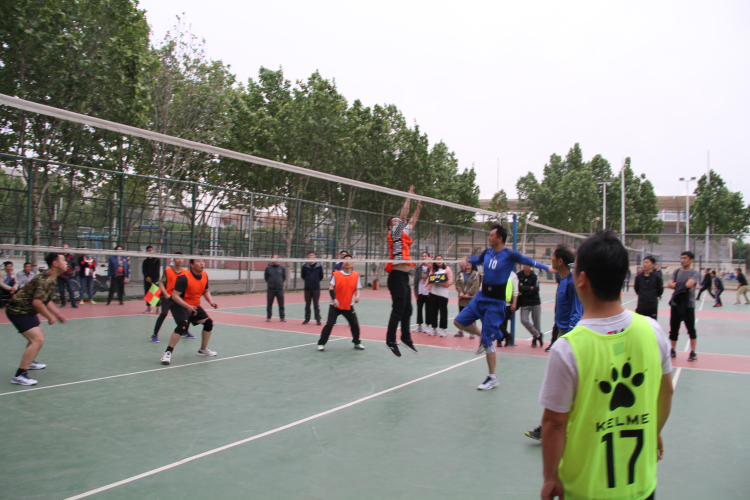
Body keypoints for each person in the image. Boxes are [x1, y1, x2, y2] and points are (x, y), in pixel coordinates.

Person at [537, 231, 673, 500]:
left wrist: (551, 476)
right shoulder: (653, 330)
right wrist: (654, 430)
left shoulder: (568, 349)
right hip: (641, 488)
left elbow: (554, 424)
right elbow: (666, 391)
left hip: (586, 490)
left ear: (582, 279)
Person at [454, 223, 549, 390]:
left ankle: (492, 377)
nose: (489, 237)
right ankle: (482, 335)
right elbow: (477, 260)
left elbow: (529, 261)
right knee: (458, 321)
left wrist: (548, 268)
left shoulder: (510, 255)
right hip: (481, 298)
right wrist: (467, 259)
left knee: (489, 342)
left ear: (499, 239)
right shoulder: (488, 252)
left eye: (491, 235)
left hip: (495, 303)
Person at [5, 253, 69, 385]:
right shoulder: (46, 280)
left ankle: (29, 362)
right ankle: (19, 375)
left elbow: (46, 299)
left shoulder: (51, 278)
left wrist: (58, 314)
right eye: (63, 260)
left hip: (26, 310)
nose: (66, 262)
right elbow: (37, 303)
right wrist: (49, 317)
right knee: (37, 339)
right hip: (18, 310)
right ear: (55, 264)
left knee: (37, 339)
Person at [384, 185, 421, 357]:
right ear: (390, 226)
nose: (397, 221)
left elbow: (411, 221)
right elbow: (404, 217)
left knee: (408, 310)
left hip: (404, 277)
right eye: (394, 221)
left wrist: (418, 209)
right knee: (398, 310)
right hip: (396, 277)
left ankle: (406, 338)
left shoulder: (403, 234)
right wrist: (409, 196)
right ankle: (390, 340)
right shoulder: (394, 233)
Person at [160, 257, 218, 365]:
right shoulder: (184, 278)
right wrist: (187, 306)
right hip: (179, 304)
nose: (202, 263)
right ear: (191, 265)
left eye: (203, 261)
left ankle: (203, 349)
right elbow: (175, 296)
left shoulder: (204, 275)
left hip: (194, 305)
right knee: (182, 325)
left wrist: (211, 301)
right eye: (198, 261)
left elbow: (206, 291)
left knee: (209, 323)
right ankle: (167, 353)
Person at [317, 255, 364, 351]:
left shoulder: (356, 275)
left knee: (355, 324)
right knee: (329, 324)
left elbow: (357, 288)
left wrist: (357, 295)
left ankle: (357, 342)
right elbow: (331, 288)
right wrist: (334, 299)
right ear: (342, 263)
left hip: (348, 305)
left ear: (353, 264)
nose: (347, 262)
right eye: (345, 260)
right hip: (335, 305)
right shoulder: (336, 274)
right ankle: (321, 344)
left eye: (349, 260)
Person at [666, 250, 700, 362]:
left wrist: (676, 285)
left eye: (685, 258)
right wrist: (683, 285)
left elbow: (690, 284)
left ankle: (693, 352)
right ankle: (673, 350)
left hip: (688, 305)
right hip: (676, 304)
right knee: (674, 328)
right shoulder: (676, 271)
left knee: (691, 329)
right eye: (681, 258)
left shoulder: (695, 273)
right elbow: (669, 284)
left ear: (691, 260)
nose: (682, 260)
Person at [152, 252, 192, 343]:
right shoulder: (168, 271)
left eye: (181, 258)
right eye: (177, 258)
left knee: (187, 313)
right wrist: (165, 294)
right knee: (164, 313)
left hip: (177, 298)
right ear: (173, 259)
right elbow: (161, 283)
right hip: (167, 297)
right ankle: (154, 334)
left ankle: (185, 332)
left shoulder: (185, 272)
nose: (180, 260)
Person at [426, 255, 453, 337]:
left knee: (443, 312)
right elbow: (427, 263)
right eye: (437, 260)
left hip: (443, 294)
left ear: (443, 260)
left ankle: (444, 330)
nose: (438, 261)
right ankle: (434, 329)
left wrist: (441, 282)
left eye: (440, 259)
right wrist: (430, 259)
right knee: (433, 312)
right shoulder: (433, 269)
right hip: (433, 293)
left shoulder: (447, 269)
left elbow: (450, 281)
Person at [517, 264, 542, 347]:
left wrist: (524, 291)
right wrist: (529, 288)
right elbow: (518, 288)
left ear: (531, 266)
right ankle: (538, 335)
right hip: (524, 303)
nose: (526, 266)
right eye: (524, 264)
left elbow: (536, 289)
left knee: (536, 322)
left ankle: (535, 340)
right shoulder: (519, 275)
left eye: (527, 264)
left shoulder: (535, 276)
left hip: (535, 302)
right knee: (524, 320)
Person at [455, 260, 480, 338]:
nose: (468, 264)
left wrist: (468, 294)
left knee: (471, 314)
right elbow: (457, 283)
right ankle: (460, 331)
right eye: (466, 263)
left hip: (471, 298)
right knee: (461, 313)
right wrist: (460, 292)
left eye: (469, 263)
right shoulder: (460, 273)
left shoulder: (476, 274)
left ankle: (472, 332)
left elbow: (475, 285)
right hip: (462, 298)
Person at [634, 255, 664, 320]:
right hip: (641, 304)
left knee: (652, 322)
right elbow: (636, 288)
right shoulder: (639, 277)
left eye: (647, 262)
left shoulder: (657, 277)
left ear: (652, 264)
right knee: (640, 322)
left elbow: (660, 289)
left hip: (652, 305)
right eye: (644, 262)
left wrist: (653, 296)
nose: (645, 264)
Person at [300, 251, 323, 325]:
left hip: (316, 288)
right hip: (307, 288)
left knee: (316, 304)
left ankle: (318, 319)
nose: (311, 256)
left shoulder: (319, 266)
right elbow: (303, 276)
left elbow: (321, 276)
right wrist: (308, 281)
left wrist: (315, 281)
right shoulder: (304, 266)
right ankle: (307, 319)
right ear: (307, 256)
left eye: (313, 255)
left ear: (315, 257)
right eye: (310, 255)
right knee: (307, 304)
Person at [498, 270, 519, 347]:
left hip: (507, 303)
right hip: (497, 302)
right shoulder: (498, 272)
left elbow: (515, 291)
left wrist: (514, 303)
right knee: (497, 321)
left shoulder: (513, 275)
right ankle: (507, 336)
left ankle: (501, 339)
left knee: (504, 322)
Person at [412, 252, 432, 334]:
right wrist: (416, 292)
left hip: (428, 292)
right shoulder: (418, 268)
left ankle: (427, 326)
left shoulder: (431, 268)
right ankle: (419, 326)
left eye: (425, 256)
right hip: (420, 291)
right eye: (423, 256)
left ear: (429, 257)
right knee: (419, 309)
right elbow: (416, 280)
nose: (424, 257)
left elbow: (432, 279)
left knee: (428, 309)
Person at [264, 254, 286, 322]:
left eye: (276, 258)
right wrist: (270, 283)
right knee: (269, 304)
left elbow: (284, 277)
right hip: (271, 289)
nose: (275, 260)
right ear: (271, 259)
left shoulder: (282, 268)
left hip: (279, 289)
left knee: (281, 304)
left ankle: (282, 317)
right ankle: (269, 317)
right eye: (274, 258)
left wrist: (280, 283)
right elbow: (266, 277)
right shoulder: (268, 268)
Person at [58, 244, 78, 308]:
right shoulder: (59, 256)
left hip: (69, 276)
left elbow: (74, 265)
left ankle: (73, 303)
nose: (64, 249)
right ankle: (63, 303)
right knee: (61, 290)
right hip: (60, 276)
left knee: (71, 290)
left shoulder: (71, 257)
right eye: (63, 248)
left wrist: (70, 272)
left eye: (66, 248)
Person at [142, 245, 161, 314]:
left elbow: (157, 271)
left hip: (154, 279)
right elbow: (144, 270)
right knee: (147, 294)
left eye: (151, 250)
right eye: (148, 250)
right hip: (147, 280)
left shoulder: (157, 260)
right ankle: (148, 308)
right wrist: (146, 277)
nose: (150, 251)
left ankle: (158, 308)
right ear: (146, 251)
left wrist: (151, 278)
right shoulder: (145, 261)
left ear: (153, 251)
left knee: (156, 294)